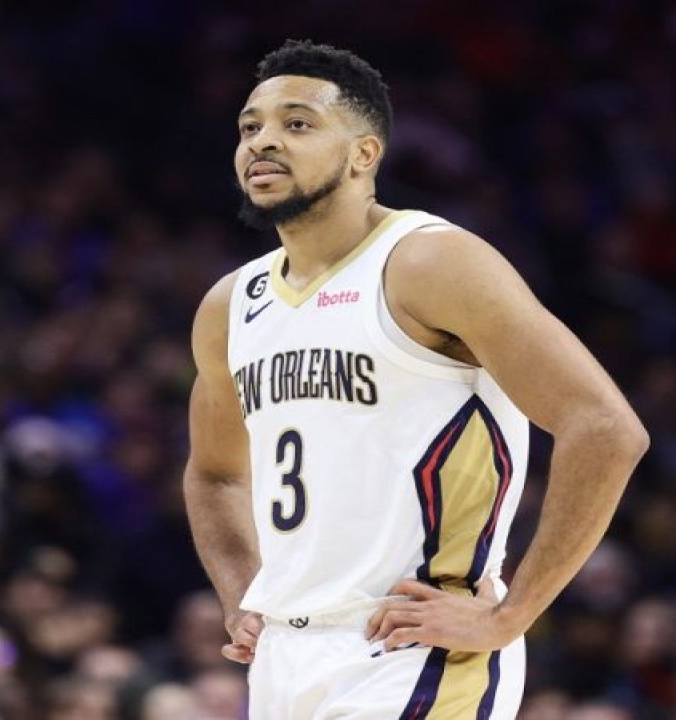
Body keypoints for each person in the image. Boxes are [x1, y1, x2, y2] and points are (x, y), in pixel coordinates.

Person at [184, 39, 649, 718]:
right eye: (250, 127)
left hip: (414, 647)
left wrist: (511, 614)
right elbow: (216, 474)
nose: (263, 141)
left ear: (364, 154)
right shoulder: (232, 304)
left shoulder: (428, 263)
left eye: (297, 123)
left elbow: (605, 427)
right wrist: (240, 593)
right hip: (284, 657)